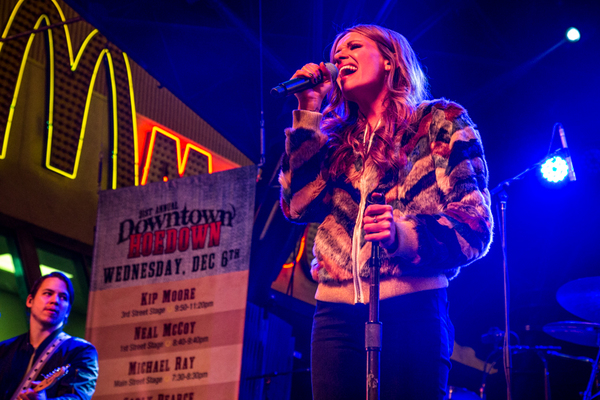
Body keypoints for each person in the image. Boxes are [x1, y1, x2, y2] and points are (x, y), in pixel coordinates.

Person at [279, 24, 493, 399]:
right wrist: (308, 112)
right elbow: (297, 206)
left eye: (354, 46)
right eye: (336, 52)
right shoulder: (334, 140)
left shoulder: (439, 122)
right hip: (334, 315)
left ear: (391, 60)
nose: (340, 56)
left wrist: (404, 235)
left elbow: (475, 226)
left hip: (412, 307)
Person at [0, 272, 98, 400]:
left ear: (68, 311)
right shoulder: (4, 349)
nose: (55, 301)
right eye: (48, 293)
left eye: (63, 297)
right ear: (30, 301)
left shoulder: (81, 351)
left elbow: (77, 397)